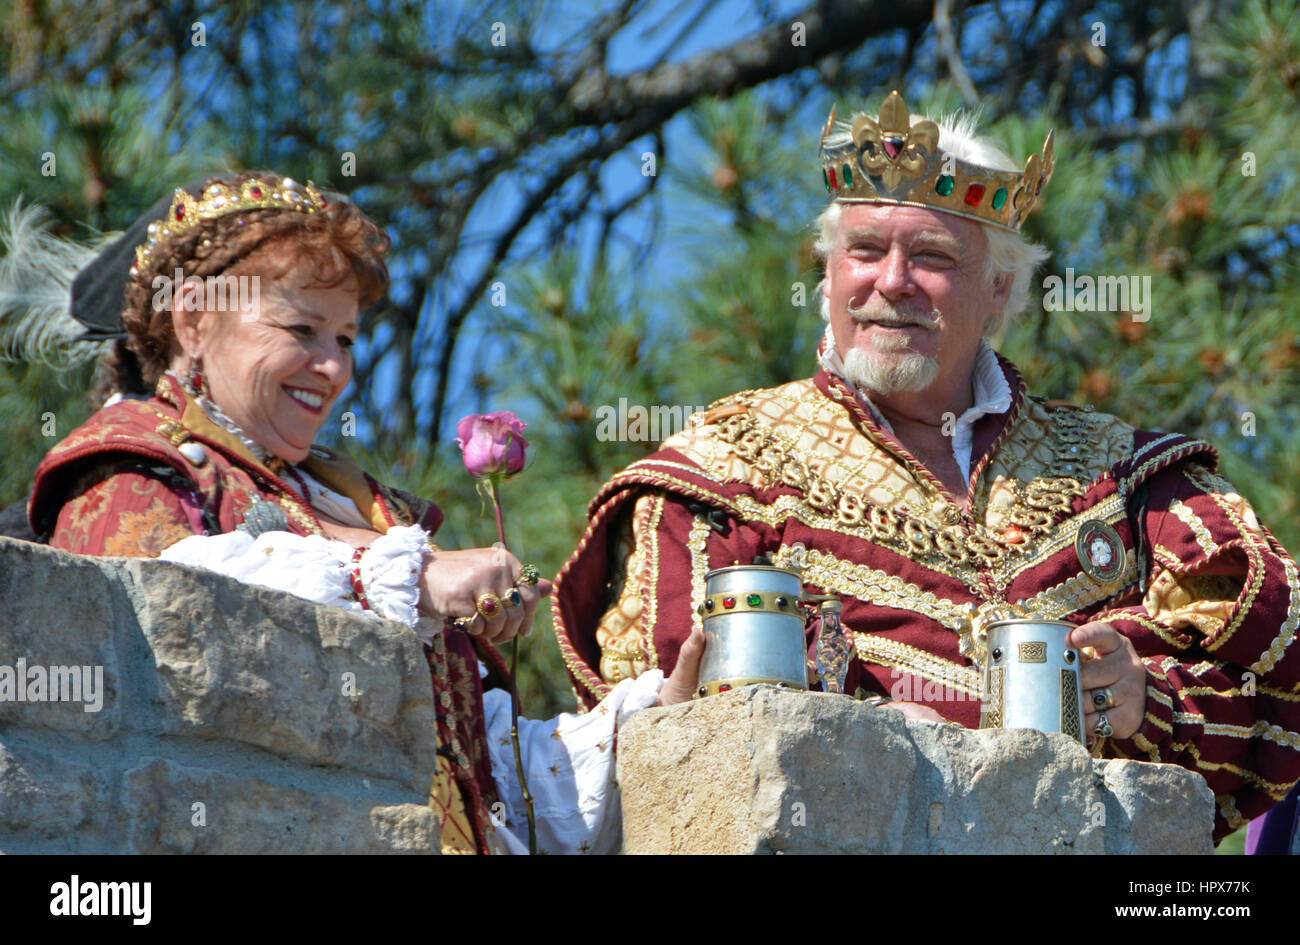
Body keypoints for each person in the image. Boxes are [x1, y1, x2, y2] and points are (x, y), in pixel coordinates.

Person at [553, 91, 1300, 846]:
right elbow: (668, 743)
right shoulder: (719, 473)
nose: (893, 281)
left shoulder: (1132, 478)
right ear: (827, 275)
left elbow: (1279, 683)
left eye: (934, 256)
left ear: (1001, 288)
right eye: (866, 250)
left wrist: (1146, 701)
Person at [11, 170, 701, 854]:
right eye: (302, 328)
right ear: (194, 318)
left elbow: (487, 780)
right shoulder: (126, 464)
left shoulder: (362, 507)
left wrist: (652, 726)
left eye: (344, 338)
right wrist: (402, 578)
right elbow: (175, 613)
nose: (334, 367)